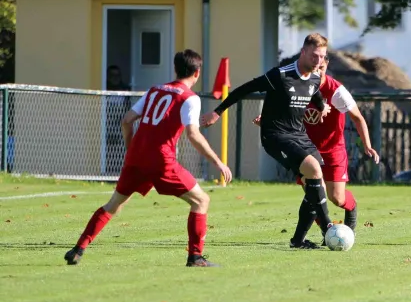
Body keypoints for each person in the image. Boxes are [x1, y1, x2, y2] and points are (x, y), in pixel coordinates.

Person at [64, 49, 232, 267]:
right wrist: (218, 162)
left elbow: (127, 120)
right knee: (201, 201)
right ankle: (196, 257)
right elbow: (193, 134)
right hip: (161, 159)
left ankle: (78, 249)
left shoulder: (155, 90)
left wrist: (131, 148)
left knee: (114, 204)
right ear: (197, 73)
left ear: (175, 68)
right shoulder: (190, 98)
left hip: (136, 157)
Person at [202, 33, 334, 249]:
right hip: (275, 136)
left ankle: (298, 241)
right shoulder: (280, 75)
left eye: (322, 57)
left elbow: (315, 91)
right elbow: (245, 89)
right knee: (314, 172)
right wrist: (217, 112)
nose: (318, 61)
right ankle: (328, 227)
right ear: (303, 52)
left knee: (314, 186)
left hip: (300, 135)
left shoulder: (316, 77)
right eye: (314, 56)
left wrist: (322, 106)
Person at [252, 56, 379, 246]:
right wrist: (268, 119)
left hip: (333, 150)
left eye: (321, 67)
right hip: (305, 149)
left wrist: (367, 145)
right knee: (314, 193)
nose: (317, 71)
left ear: (326, 65)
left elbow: (358, 118)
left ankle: (351, 210)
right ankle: (317, 236)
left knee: (337, 197)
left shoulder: (336, 91)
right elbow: (284, 112)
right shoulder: (297, 87)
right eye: (313, 67)